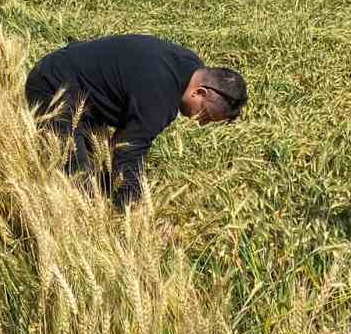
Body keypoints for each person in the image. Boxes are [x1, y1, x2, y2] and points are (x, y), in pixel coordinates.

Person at [24, 34, 247, 208]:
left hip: (81, 89)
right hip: (53, 86)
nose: (201, 123)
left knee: (101, 178)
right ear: (200, 92)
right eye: (205, 115)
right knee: (78, 181)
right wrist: (134, 210)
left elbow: (125, 145)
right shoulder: (160, 96)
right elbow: (128, 152)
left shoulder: (191, 66)